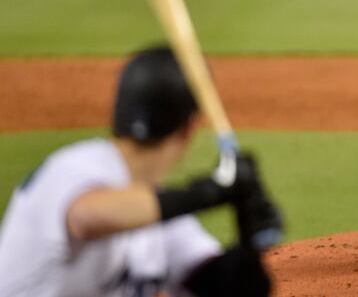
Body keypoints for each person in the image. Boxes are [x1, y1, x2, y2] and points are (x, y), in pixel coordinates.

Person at [0, 46, 282, 297]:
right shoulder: (77, 167)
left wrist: (249, 246)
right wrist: (211, 191)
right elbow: (87, 217)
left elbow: (221, 286)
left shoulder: (161, 216)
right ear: (188, 129)